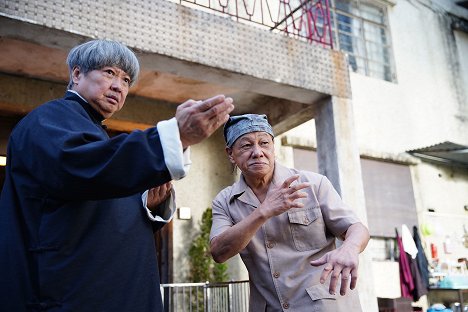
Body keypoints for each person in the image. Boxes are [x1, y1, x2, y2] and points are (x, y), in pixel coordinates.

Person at [0, 39, 234, 311]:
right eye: (109, 72)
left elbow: (95, 197)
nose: (118, 86)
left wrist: (147, 205)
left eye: (125, 80)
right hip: (64, 294)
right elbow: (84, 169)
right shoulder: (49, 119)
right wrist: (172, 137)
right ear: (77, 74)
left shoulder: (94, 130)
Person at [210, 114, 370, 312]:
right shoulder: (224, 201)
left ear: (273, 147)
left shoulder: (313, 184)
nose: (257, 152)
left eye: (264, 143)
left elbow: (356, 228)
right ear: (230, 153)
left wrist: (350, 248)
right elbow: (218, 252)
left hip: (323, 305)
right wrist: (263, 212)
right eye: (246, 145)